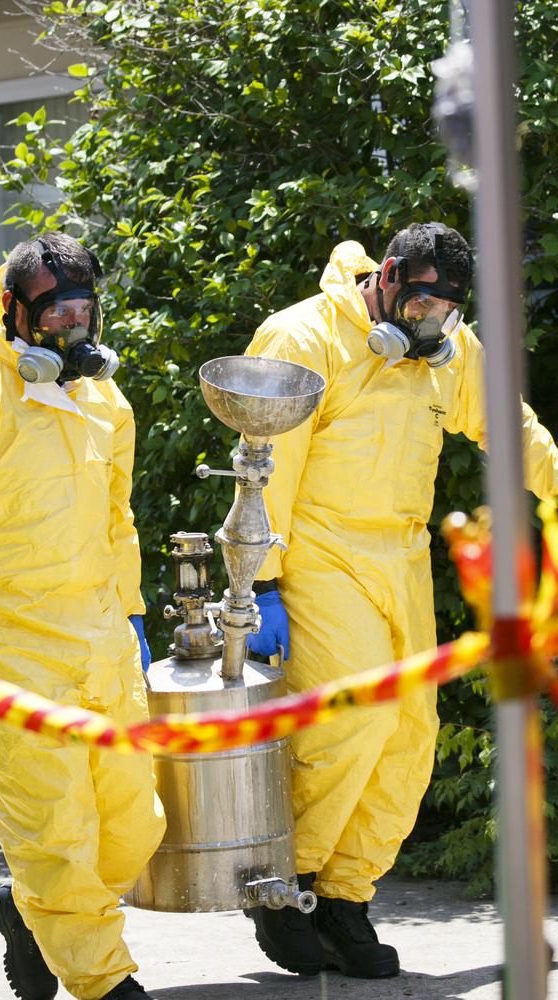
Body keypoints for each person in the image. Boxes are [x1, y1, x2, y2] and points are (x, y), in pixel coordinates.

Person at [244, 222, 558, 979]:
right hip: (317, 552)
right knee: (354, 718)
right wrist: (260, 582)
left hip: (401, 556)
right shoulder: (302, 336)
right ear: (386, 277)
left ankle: (346, 896)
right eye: (420, 307)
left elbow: (512, 431)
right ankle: (286, 891)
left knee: (412, 733)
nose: (430, 326)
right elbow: (264, 465)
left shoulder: (452, 352)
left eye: (445, 314)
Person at [0, 233, 166, 1000]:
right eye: (56, 316)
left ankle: (29, 915)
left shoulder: (103, 400)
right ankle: (104, 981)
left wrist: (132, 616)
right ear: (15, 313)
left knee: (134, 827)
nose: (73, 330)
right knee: (57, 832)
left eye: (84, 311)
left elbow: (116, 522)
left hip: (99, 643)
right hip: (0, 651)